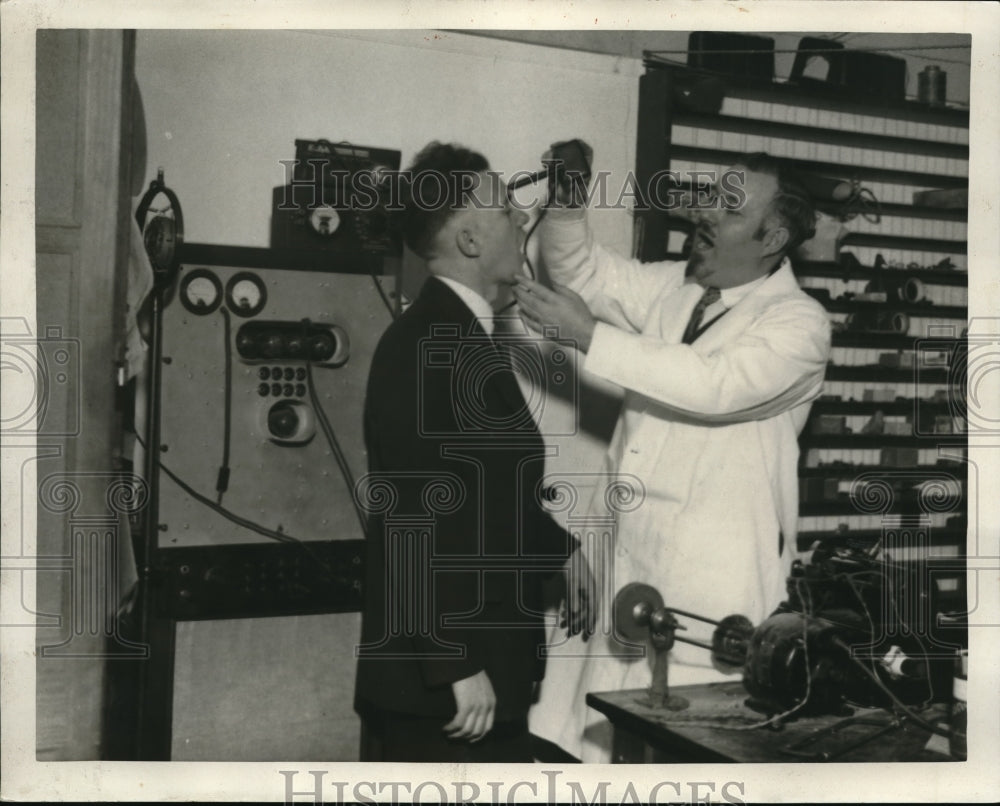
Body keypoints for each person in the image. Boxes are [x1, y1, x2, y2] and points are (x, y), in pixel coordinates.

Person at [513, 150, 832, 761]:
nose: (702, 211)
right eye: (709, 196)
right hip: (629, 566)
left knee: (686, 760)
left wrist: (589, 336)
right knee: (592, 754)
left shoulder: (800, 326)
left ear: (775, 238)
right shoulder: (675, 288)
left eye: (729, 206)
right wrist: (570, 201)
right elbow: (582, 272)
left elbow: (714, 386)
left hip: (712, 589)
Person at [354, 142, 595, 763]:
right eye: (506, 208)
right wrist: (454, 663)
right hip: (444, 691)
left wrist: (561, 550)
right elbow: (410, 515)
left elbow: (486, 498)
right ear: (467, 240)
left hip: (483, 674)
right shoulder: (421, 343)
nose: (521, 220)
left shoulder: (464, 336)